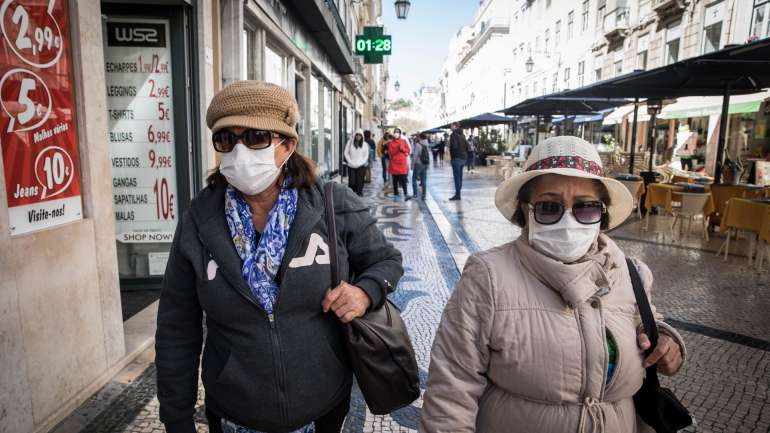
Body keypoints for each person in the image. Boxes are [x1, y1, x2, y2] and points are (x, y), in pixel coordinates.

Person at [155, 81, 404, 433]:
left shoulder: (332, 202)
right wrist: (177, 420)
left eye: (256, 137)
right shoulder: (199, 220)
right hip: (233, 412)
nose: (240, 151)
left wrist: (366, 292)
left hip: (322, 406)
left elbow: (387, 261)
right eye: (227, 139)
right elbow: (176, 328)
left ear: (287, 145)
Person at [421, 136, 687, 433]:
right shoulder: (487, 276)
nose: (569, 220)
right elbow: (451, 390)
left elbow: (646, 322)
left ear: (603, 213)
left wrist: (665, 340)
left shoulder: (631, 272)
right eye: (549, 207)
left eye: (586, 207)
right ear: (525, 211)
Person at [344, 128, 369, 196]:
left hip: (360, 166)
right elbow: (346, 153)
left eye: (360, 135)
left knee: (359, 181)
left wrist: (360, 163)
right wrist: (350, 161)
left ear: (362, 136)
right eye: (357, 135)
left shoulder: (365, 145)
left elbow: (366, 156)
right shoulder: (350, 142)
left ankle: (359, 193)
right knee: (352, 182)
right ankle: (351, 194)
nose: (358, 136)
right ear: (355, 135)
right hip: (351, 165)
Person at [388, 127, 411, 199]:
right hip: (394, 164)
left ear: (400, 133)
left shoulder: (404, 141)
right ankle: (396, 195)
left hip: (402, 164)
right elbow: (391, 153)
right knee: (395, 181)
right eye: (395, 132)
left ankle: (406, 194)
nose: (396, 133)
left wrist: (402, 149)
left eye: (398, 132)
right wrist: (398, 149)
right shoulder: (391, 143)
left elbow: (408, 150)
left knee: (404, 180)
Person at [449, 122, 468, 201]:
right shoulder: (463, 135)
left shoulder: (453, 135)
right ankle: (458, 193)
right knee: (460, 177)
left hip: (456, 158)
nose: (450, 127)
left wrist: (453, 155)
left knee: (457, 177)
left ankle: (457, 195)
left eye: (452, 126)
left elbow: (454, 146)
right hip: (463, 158)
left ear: (455, 126)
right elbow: (467, 146)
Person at [411, 133, 429, 200]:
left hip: (418, 164)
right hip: (425, 164)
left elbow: (415, 156)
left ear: (420, 138)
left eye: (418, 137)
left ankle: (415, 194)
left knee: (414, 179)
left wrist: (412, 165)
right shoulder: (427, 144)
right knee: (424, 180)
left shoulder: (418, 145)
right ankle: (424, 195)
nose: (417, 138)